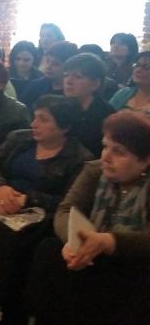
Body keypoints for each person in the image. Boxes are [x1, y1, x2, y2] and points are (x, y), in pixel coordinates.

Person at [29, 113, 150, 325]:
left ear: (144, 161)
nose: (106, 157)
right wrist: (74, 241)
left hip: (134, 263)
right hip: (90, 257)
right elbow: (66, 209)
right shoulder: (95, 171)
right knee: (49, 249)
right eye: (105, 147)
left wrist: (110, 241)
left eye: (118, 151)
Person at [0, 95, 90, 215]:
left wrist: (27, 200)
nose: (33, 124)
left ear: (65, 127)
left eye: (43, 120)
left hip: (39, 215)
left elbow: (70, 202)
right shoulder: (18, 138)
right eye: (34, 117)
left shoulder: (80, 160)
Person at [62, 53, 115, 158]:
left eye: (78, 77)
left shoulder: (107, 116)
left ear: (95, 84)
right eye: (66, 75)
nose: (68, 81)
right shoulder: (59, 106)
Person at [20, 41, 78, 109]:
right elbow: (21, 110)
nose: (48, 67)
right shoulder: (36, 85)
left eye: (55, 64)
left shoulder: (75, 90)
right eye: (47, 61)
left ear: (69, 67)